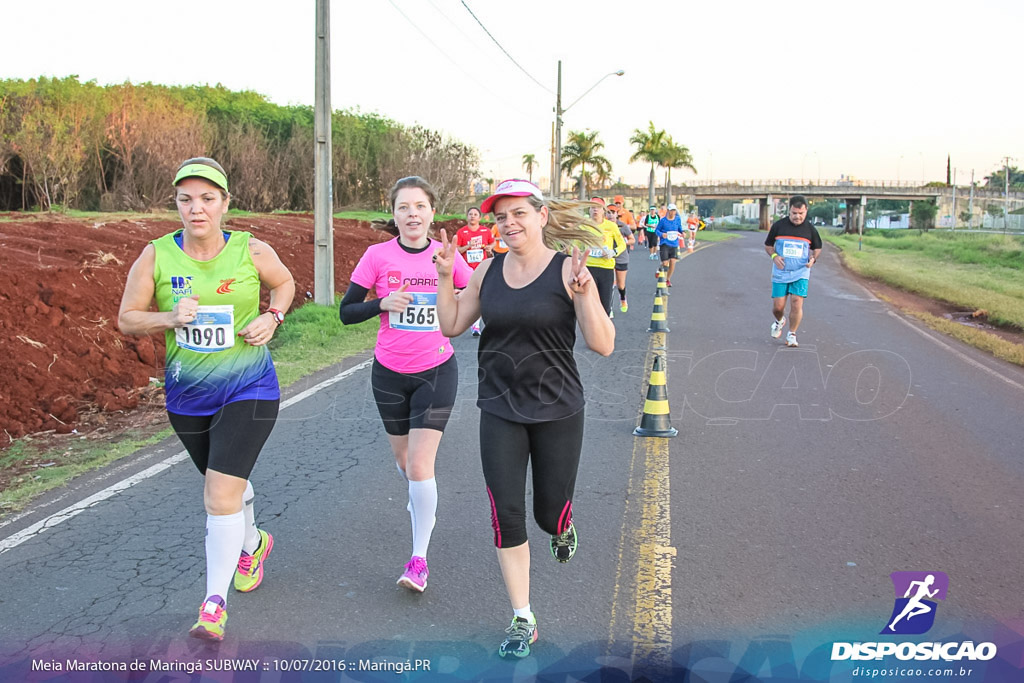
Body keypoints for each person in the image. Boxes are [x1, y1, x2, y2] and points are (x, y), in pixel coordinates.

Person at [432, 179, 615, 659]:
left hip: (558, 409)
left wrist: (585, 294)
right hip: (499, 408)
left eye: (518, 214)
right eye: (501, 216)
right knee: (506, 514)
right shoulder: (487, 270)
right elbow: (451, 325)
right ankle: (522, 616)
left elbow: (604, 343)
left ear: (541, 216)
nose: (508, 224)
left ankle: (562, 525)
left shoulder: (567, 271)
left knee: (546, 513)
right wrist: (445, 275)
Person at [117, 157, 295, 641]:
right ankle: (253, 543)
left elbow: (285, 284)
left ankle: (213, 605)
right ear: (176, 204)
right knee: (228, 486)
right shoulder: (154, 256)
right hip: (188, 397)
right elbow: (128, 318)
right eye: (186, 199)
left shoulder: (251, 250)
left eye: (207, 199)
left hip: (249, 387)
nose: (196, 209)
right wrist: (169, 318)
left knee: (219, 495)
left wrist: (273, 317)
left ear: (224, 204)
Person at [339, 176, 474, 592]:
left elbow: (477, 298)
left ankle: (419, 560)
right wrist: (382, 302)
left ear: (432, 213)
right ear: (394, 214)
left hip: (436, 370)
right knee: (405, 465)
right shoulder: (377, 256)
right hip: (389, 374)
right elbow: (346, 312)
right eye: (404, 207)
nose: (412, 214)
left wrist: (450, 285)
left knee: (419, 464)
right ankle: (421, 499)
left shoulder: (446, 255)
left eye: (420, 206)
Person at [764, 195, 823, 348]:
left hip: (801, 272)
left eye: (801, 213)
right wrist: (774, 256)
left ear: (806, 211)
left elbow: (817, 248)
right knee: (778, 307)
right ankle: (779, 321)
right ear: (789, 211)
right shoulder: (779, 226)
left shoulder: (810, 229)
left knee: (797, 303)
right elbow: (768, 245)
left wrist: (813, 259)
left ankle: (792, 334)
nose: (797, 217)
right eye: (794, 213)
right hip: (781, 272)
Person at [585, 196, 628, 316]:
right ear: (589, 210)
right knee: (589, 304)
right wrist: (581, 254)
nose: (595, 210)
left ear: (603, 210)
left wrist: (613, 252)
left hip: (606, 268)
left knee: (605, 305)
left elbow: (622, 244)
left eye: (598, 208)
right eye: (592, 207)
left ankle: (605, 332)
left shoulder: (611, 226)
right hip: (589, 267)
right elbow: (574, 246)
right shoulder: (584, 225)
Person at [455, 206, 495, 336]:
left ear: (480, 217)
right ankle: (465, 320)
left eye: (475, 214)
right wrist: (468, 246)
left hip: (481, 268)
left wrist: (489, 247)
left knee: (481, 296)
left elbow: (492, 243)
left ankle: (476, 325)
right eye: (470, 214)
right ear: (467, 217)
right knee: (470, 296)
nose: (472, 216)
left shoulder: (485, 231)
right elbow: (457, 250)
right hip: (466, 270)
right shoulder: (462, 232)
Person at [607, 202, 635, 313]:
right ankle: (610, 308)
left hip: (621, 257)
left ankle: (623, 298)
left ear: (616, 214)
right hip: (608, 258)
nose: (610, 215)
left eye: (613, 212)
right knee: (610, 284)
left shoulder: (622, 226)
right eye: (608, 213)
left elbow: (633, 239)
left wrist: (624, 242)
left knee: (620, 285)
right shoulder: (603, 226)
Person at [656, 203, 684, 286]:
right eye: (671, 210)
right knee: (665, 263)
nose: (673, 212)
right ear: (668, 211)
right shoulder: (663, 220)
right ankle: (659, 268)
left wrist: (682, 232)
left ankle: (668, 279)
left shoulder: (677, 219)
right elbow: (657, 230)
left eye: (674, 210)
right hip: (665, 243)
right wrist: (661, 234)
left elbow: (679, 228)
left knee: (673, 261)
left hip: (674, 243)